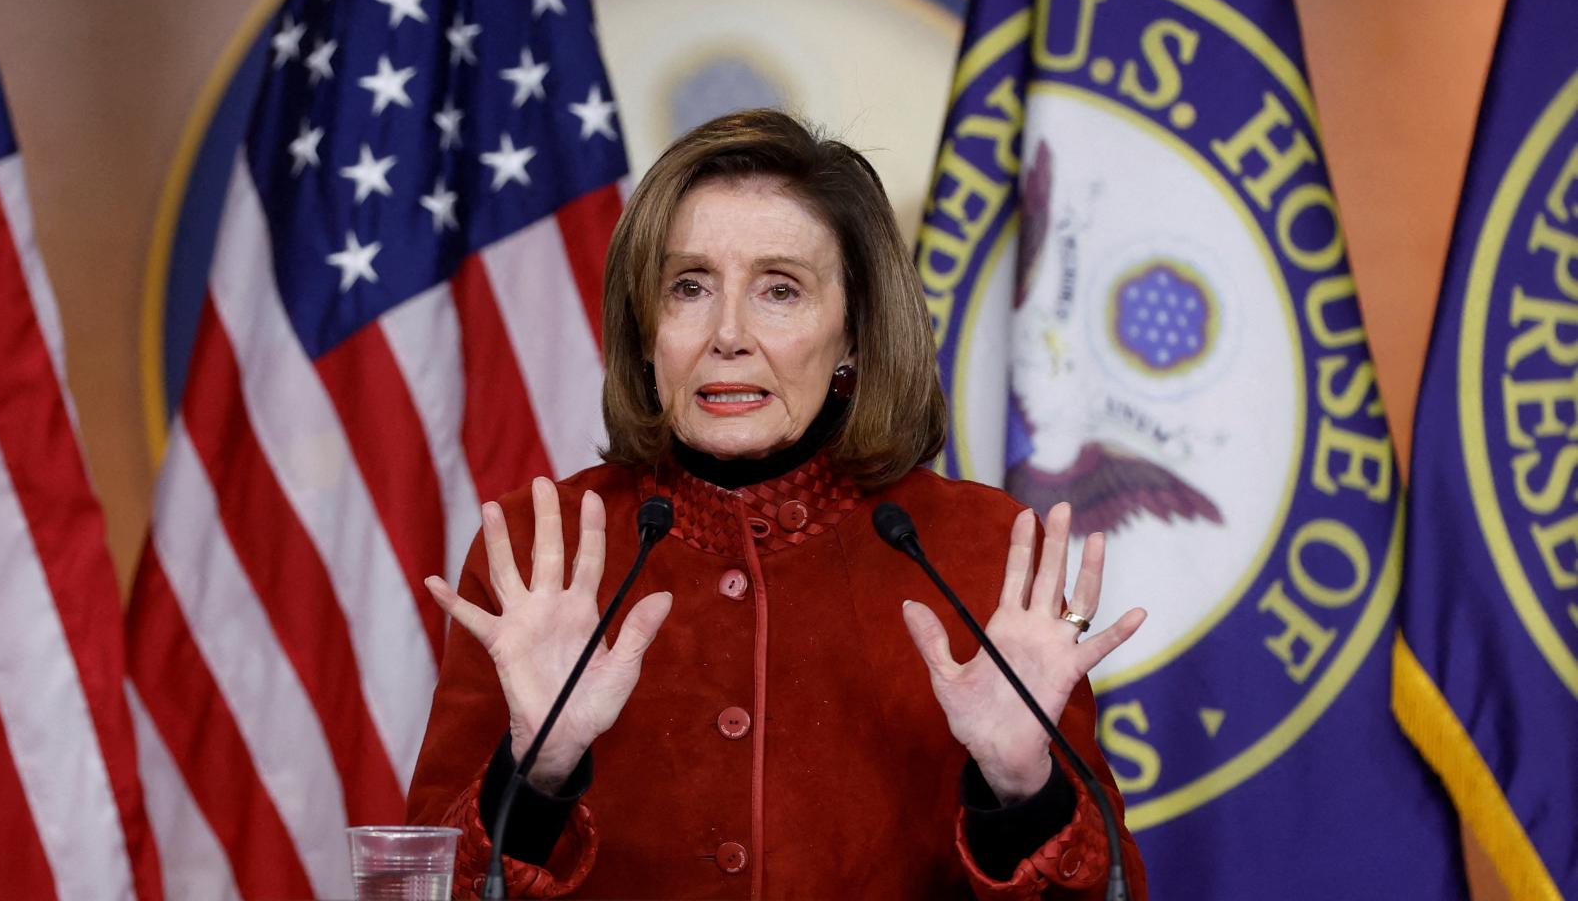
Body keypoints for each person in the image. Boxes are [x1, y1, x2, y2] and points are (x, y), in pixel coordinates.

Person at [406, 108, 1150, 899]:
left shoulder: (979, 549)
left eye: (780, 289)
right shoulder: (535, 548)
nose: (727, 333)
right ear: (644, 324)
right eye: (688, 286)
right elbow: (418, 883)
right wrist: (537, 766)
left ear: (854, 333)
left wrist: (1024, 791)